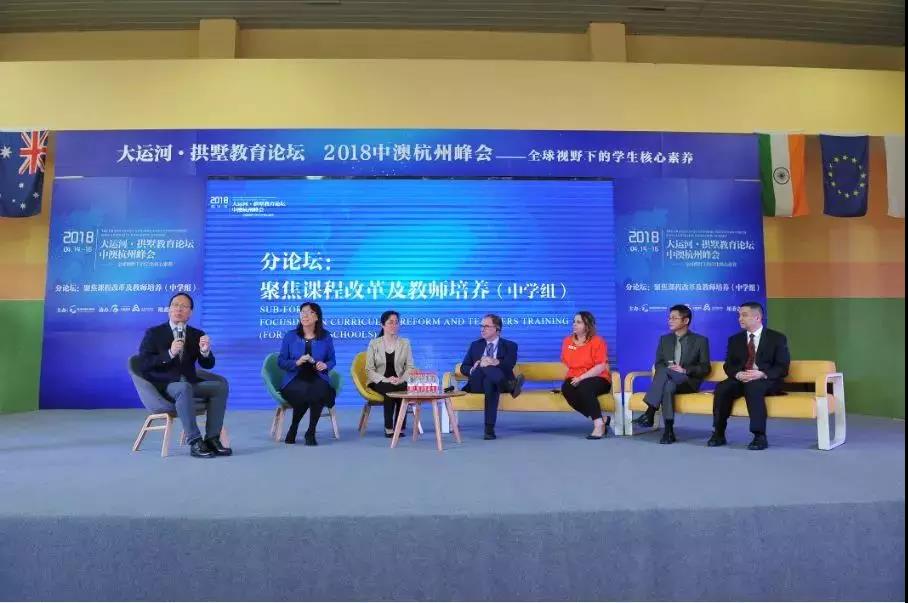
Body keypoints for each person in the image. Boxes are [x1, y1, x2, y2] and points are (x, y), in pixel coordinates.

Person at [138, 292, 231, 459]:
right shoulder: (154, 333)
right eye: (175, 305)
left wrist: (205, 352)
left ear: (190, 312)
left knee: (219, 387)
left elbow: (208, 364)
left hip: (189, 383)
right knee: (183, 388)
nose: (178, 309)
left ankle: (212, 439)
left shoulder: (196, 334)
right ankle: (195, 441)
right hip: (165, 385)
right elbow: (144, 363)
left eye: (183, 306)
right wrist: (170, 353)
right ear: (169, 310)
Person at [709, 301, 790, 450]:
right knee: (722, 387)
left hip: (766, 380)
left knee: (753, 387)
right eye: (739, 315)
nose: (740, 318)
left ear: (757, 317)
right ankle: (718, 432)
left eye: (744, 315)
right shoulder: (735, 339)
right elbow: (728, 365)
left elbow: (782, 367)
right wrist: (738, 374)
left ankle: (759, 436)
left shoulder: (777, 338)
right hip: (742, 379)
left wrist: (762, 373)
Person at [632, 304, 711, 444]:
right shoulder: (664, 339)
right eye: (669, 318)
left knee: (665, 373)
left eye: (674, 318)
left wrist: (684, 370)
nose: (670, 321)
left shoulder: (700, 341)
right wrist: (669, 370)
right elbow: (659, 364)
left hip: (688, 381)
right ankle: (668, 432)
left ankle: (650, 412)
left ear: (686, 321)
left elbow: (705, 368)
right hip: (669, 380)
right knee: (668, 385)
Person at [277, 302, 337, 446]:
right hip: (294, 379)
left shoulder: (326, 336)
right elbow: (281, 361)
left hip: (317, 376)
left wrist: (325, 365)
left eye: (310, 312)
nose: (305, 315)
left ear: (317, 317)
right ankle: (295, 427)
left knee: (318, 391)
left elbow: (332, 360)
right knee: (312, 393)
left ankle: (310, 431)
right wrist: (296, 362)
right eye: (302, 312)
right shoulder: (290, 336)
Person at [460, 314, 523, 440]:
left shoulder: (510, 345)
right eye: (481, 326)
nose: (482, 329)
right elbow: (464, 367)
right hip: (477, 383)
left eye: (487, 326)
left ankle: (489, 429)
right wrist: (475, 367)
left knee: (490, 381)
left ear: (497, 329)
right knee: (483, 365)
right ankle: (510, 386)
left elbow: (509, 365)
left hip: (496, 384)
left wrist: (495, 362)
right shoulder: (475, 345)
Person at [560, 311, 612, 439]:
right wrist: (577, 377)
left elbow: (600, 366)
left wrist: (581, 377)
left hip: (599, 378)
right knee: (566, 388)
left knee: (584, 387)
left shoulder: (598, 341)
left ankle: (598, 425)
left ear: (587, 326)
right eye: (574, 322)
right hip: (574, 377)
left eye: (578, 322)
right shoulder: (567, 341)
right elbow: (567, 362)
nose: (574, 324)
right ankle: (602, 418)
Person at [365, 310, 416, 437]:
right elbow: (369, 369)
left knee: (403, 388)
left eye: (396, 322)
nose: (394, 325)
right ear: (383, 325)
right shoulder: (374, 343)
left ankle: (400, 427)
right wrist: (386, 379)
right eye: (390, 322)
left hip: (399, 380)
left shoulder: (405, 343)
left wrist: (401, 379)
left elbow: (410, 367)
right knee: (390, 389)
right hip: (379, 381)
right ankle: (389, 427)